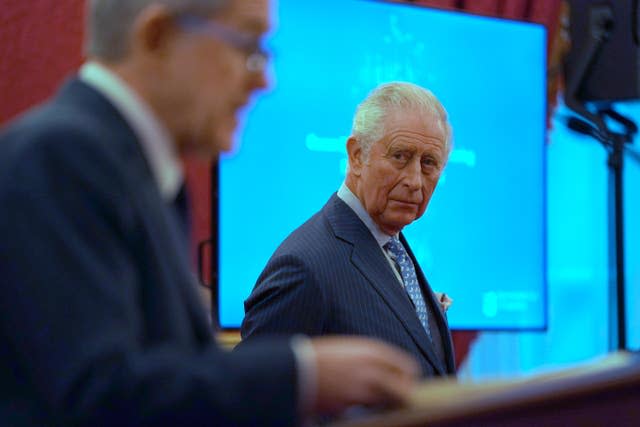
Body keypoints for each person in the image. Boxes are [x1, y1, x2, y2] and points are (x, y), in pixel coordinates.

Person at [0, 1, 421, 426]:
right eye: (247, 47)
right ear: (158, 37)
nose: (264, 80)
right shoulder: (59, 157)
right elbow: (98, 394)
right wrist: (302, 374)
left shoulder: (138, 172)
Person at [242, 82, 456, 378]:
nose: (415, 181)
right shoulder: (304, 266)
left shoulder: (393, 245)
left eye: (429, 163)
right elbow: (255, 394)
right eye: (400, 156)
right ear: (357, 156)